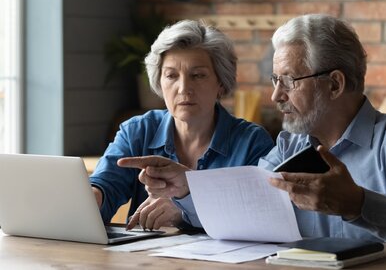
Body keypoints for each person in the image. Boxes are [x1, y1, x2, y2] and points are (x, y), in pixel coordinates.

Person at [130, 14, 386, 242]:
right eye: (275, 80)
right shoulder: (289, 146)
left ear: (334, 85)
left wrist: (358, 204)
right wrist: (187, 187)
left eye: (288, 81)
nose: (276, 96)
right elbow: (241, 208)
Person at [90, 19, 274, 230]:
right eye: (171, 76)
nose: (184, 88)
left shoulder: (252, 142)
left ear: (221, 84)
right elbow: (105, 185)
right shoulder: (137, 131)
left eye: (198, 75)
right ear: (159, 82)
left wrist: (186, 210)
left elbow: (260, 216)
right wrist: (92, 199)